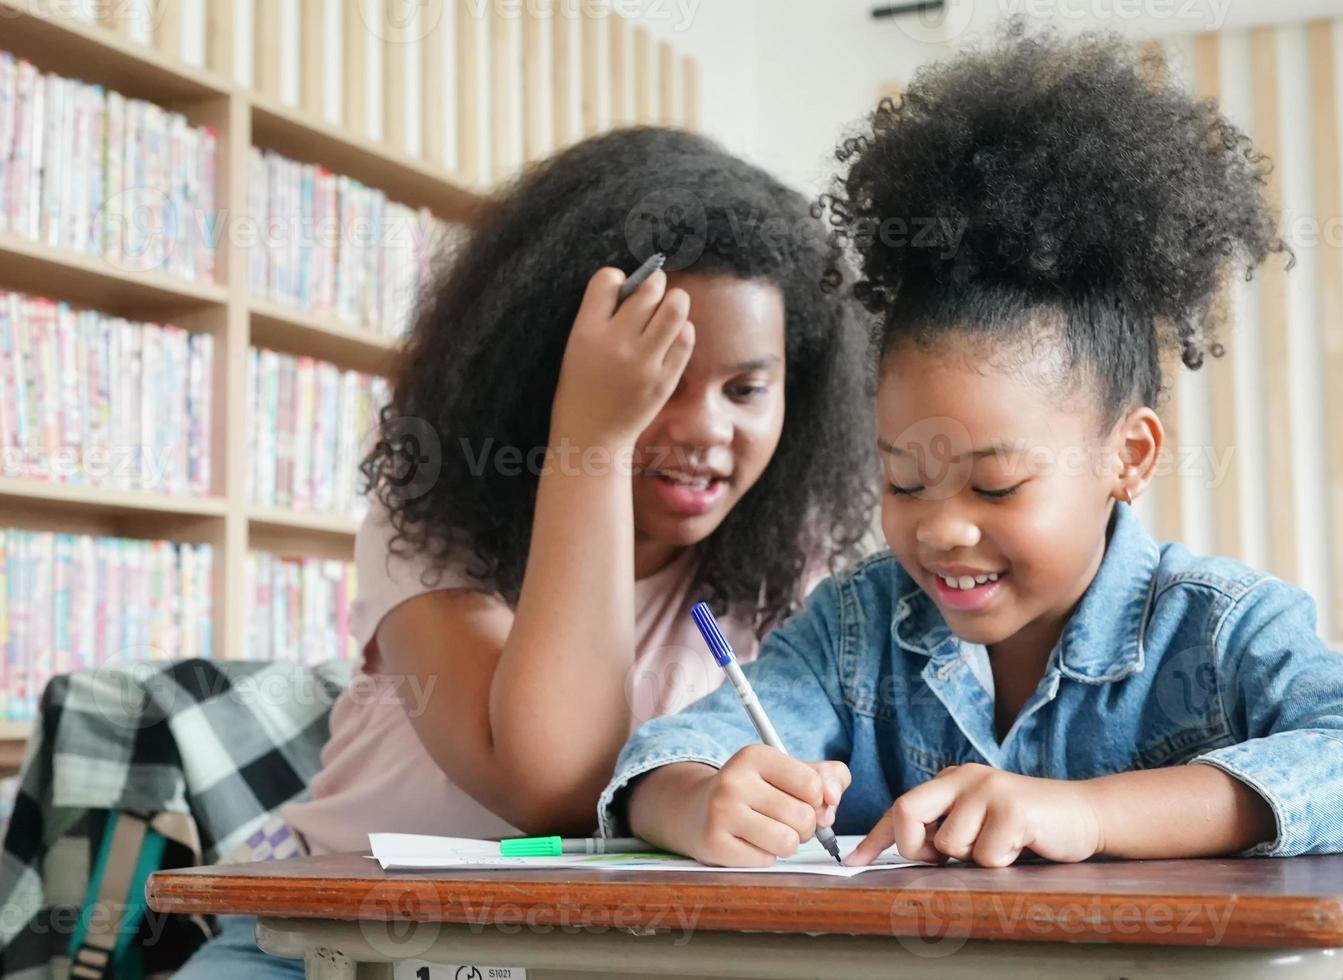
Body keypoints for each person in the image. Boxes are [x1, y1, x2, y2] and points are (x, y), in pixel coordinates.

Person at [601, 27, 1343, 869]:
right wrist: (698, 797)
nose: (941, 531)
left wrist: (1093, 816)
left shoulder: (1219, 628)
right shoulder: (857, 628)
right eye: (903, 480)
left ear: (1131, 456)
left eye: (996, 487)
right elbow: (668, 757)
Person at [172, 126, 875, 978]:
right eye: (658, 382)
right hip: (334, 940)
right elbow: (552, 781)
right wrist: (592, 440)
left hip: (583, 958)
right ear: (556, 372)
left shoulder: (786, 566)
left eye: (746, 389)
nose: (704, 429)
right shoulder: (435, 520)